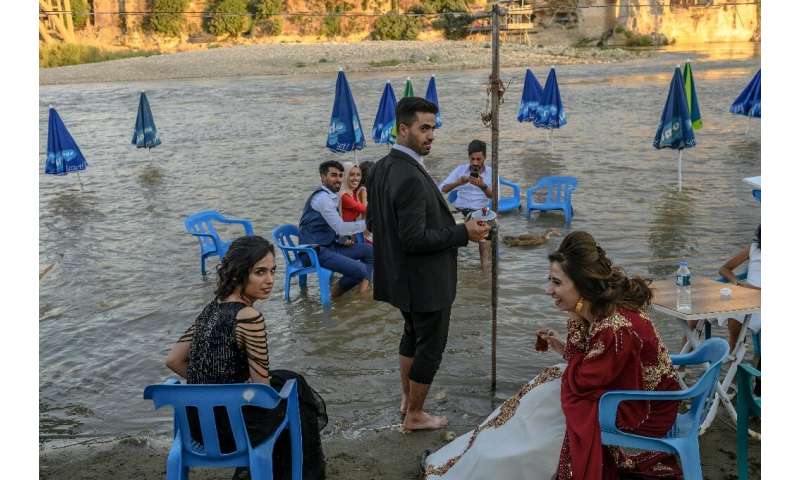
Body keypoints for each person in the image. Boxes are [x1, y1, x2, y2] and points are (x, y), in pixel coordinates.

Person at [424, 231, 682, 479]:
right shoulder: (601, 310)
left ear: (583, 286)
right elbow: (586, 363)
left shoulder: (615, 328)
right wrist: (565, 336)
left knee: (540, 415)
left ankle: (489, 461)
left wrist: (573, 319)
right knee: (534, 404)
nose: (548, 290)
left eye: (556, 283)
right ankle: (479, 457)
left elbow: (583, 381)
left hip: (642, 410)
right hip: (621, 392)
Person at [367, 96, 491, 431]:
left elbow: (376, 224)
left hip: (398, 277)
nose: (431, 135)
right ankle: (416, 415)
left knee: (412, 335)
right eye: (424, 128)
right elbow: (413, 238)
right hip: (425, 280)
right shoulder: (407, 175)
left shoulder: (380, 168)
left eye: (433, 128)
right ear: (402, 128)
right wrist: (461, 232)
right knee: (431, 348)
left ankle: (408, 399)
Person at [165, 236, 327, 480]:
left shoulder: (211, 308)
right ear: (238, 273)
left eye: (273, 271)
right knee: (296, 394)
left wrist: (214, 386)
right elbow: (262, 391)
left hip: (198, 428)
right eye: (260, 272)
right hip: (232, 431)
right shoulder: (248, 316)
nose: (270, 280)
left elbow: (173, 361)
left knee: (286, 379)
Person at [299, 160, 373, 297]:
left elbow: (333, 229)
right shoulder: (322, 199)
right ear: (322, 177)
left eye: (340, 175)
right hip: (313, 251)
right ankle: (333, 296)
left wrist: (342, 238)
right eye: (333, 175)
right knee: (360, 270)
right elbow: (340, 227)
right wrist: (371, 224)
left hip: (329, 245)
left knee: (370, 251)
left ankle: (360, 293)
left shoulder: (331, 196)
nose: (338, 179)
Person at [439, 139, 493, 272]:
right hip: (460, 210)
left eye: (478, 159)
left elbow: (495, 197)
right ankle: (449, 268)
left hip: (481, 211)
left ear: (484, 157)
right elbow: (443, 189)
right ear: (469, 157)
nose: (475, 163)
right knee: (446, 230)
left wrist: (483, 186)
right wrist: (459, 182)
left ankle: (485, 272)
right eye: (472, 159)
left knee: (486, 234)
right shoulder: (460, 170)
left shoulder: (491, 172)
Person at [718, 224, 761, 352]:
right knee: (697, 315)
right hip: (746, 295)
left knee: (735, 316)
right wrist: (736, 282)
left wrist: (753, 289)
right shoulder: (754, 249)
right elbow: (724, 269)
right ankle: (682, 365)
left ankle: (733, 355)